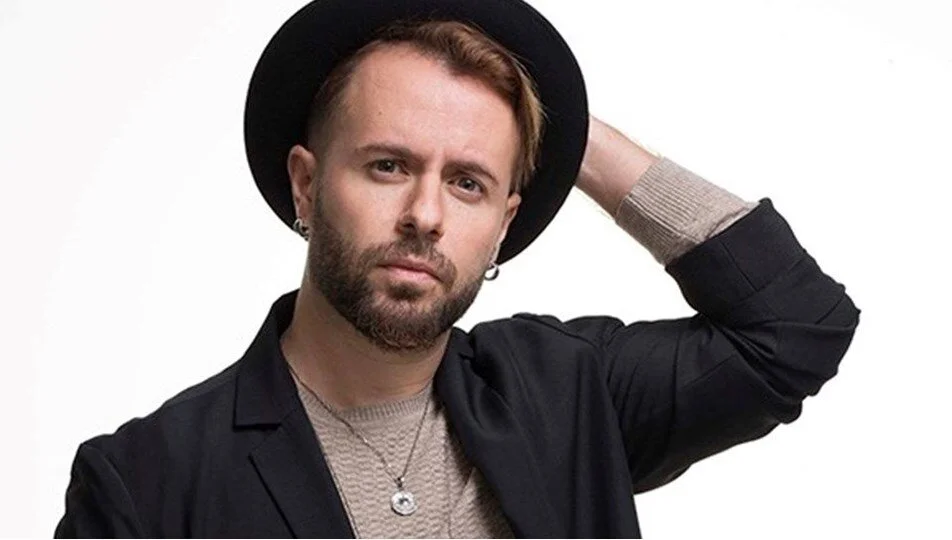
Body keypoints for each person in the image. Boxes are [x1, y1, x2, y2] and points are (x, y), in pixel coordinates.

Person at [54, 0, 860, 538]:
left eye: (468, 183)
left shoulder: (568, 393)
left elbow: (795, 327)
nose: (426, 214)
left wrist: (567, 135)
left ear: (504, 222)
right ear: (306, 184)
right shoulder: (145, 483)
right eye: (388, 166)